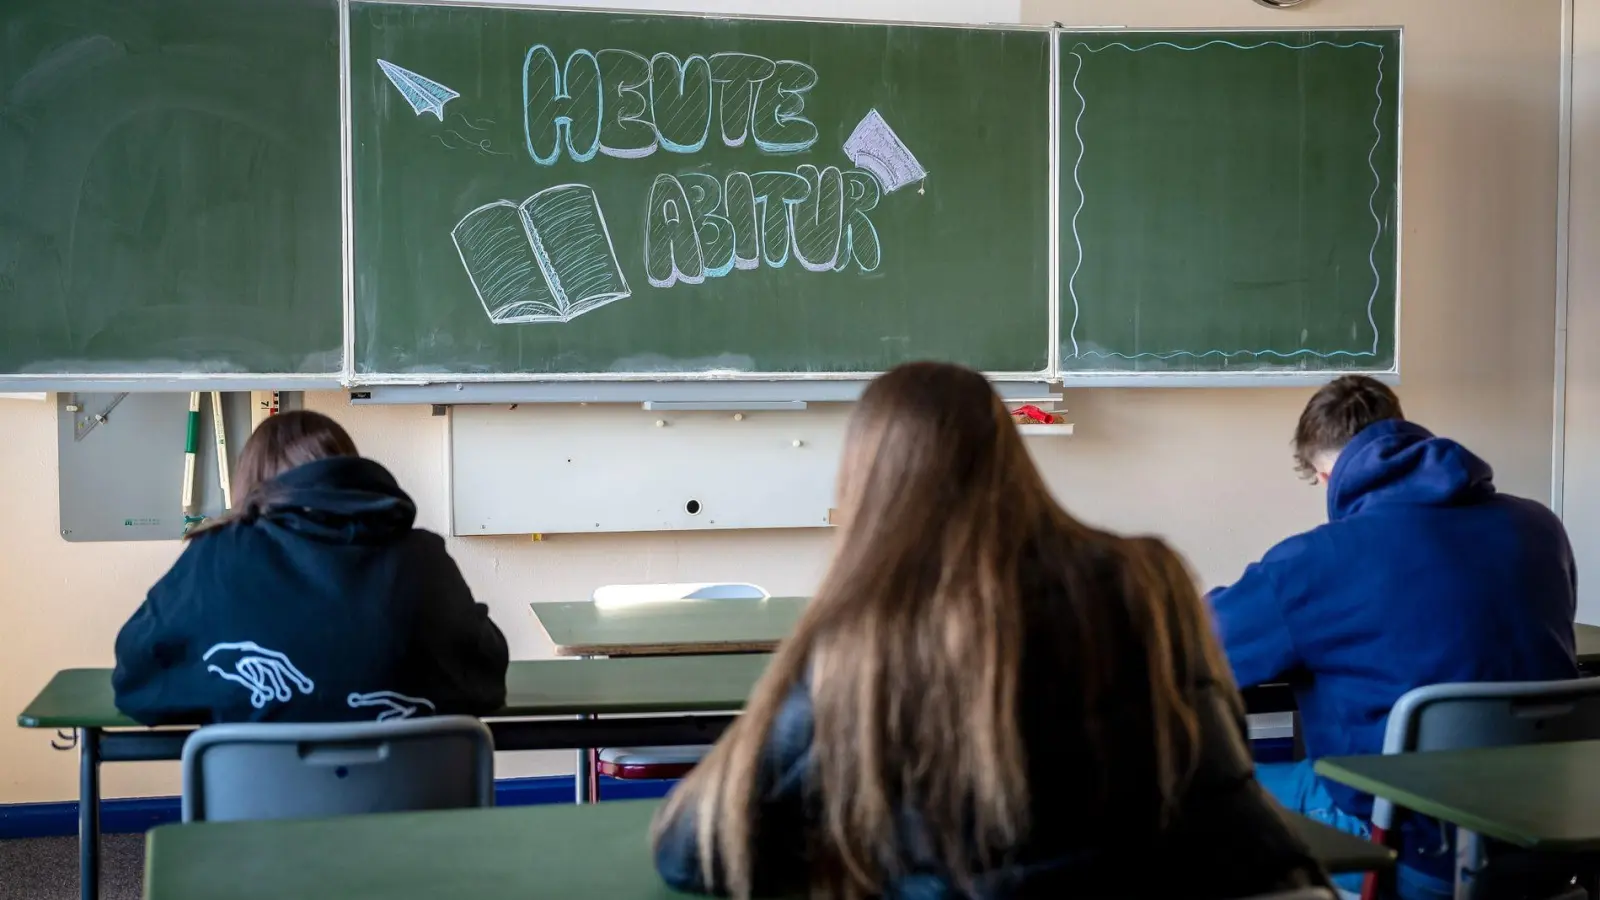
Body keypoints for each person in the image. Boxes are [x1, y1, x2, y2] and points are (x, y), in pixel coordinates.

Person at [651, 361, 1330, 900]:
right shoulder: (1150, 577)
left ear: (865, 488)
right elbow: (1223, 759)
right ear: (1012, 461)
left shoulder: (870, 642)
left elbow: (692, 850)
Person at [1209, 375, 1577, 898]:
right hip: (1554, 843)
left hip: (1406, 850)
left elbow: (1188, 644)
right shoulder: (1539, 528)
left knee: (1204, 793)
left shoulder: (1315, 561)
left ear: (1327, 472)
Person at [113, 410, 508, 725]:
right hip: (414, 816)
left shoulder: (216, 556)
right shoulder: (422, 557)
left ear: (248, 480)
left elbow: (136, 680)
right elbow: (487, 679)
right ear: (350, 470)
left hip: (257, 819)